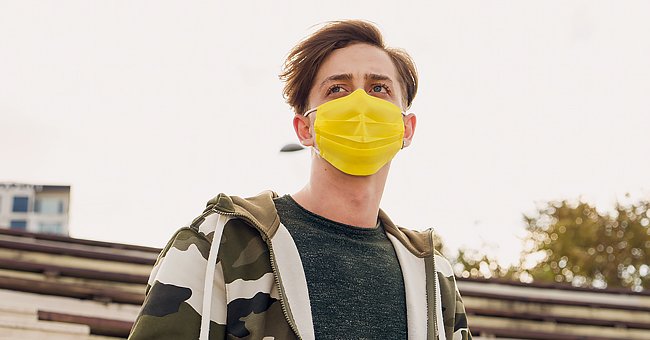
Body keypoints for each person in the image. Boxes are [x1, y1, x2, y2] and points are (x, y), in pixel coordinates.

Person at [129, 20, 471, 340]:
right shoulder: (219, 243)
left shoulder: (432, 278)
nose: (360, 103)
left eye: (378, 87)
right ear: (305, 128)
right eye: (337, 88)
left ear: (406, 128)